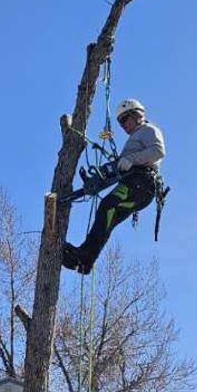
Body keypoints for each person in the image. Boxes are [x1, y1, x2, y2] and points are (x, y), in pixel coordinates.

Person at [62, 99, 165, 274]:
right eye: (120, 122)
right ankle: (85, 258)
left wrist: (131, 160)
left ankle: (85, 255)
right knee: (107, 216)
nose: (123, 125)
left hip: (141, 182)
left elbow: (158, 151)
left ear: (137, 115)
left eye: (125, 119)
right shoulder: (134, 140)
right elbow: (119, 167)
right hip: (134, 183)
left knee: (107, 207)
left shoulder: (148, 130)